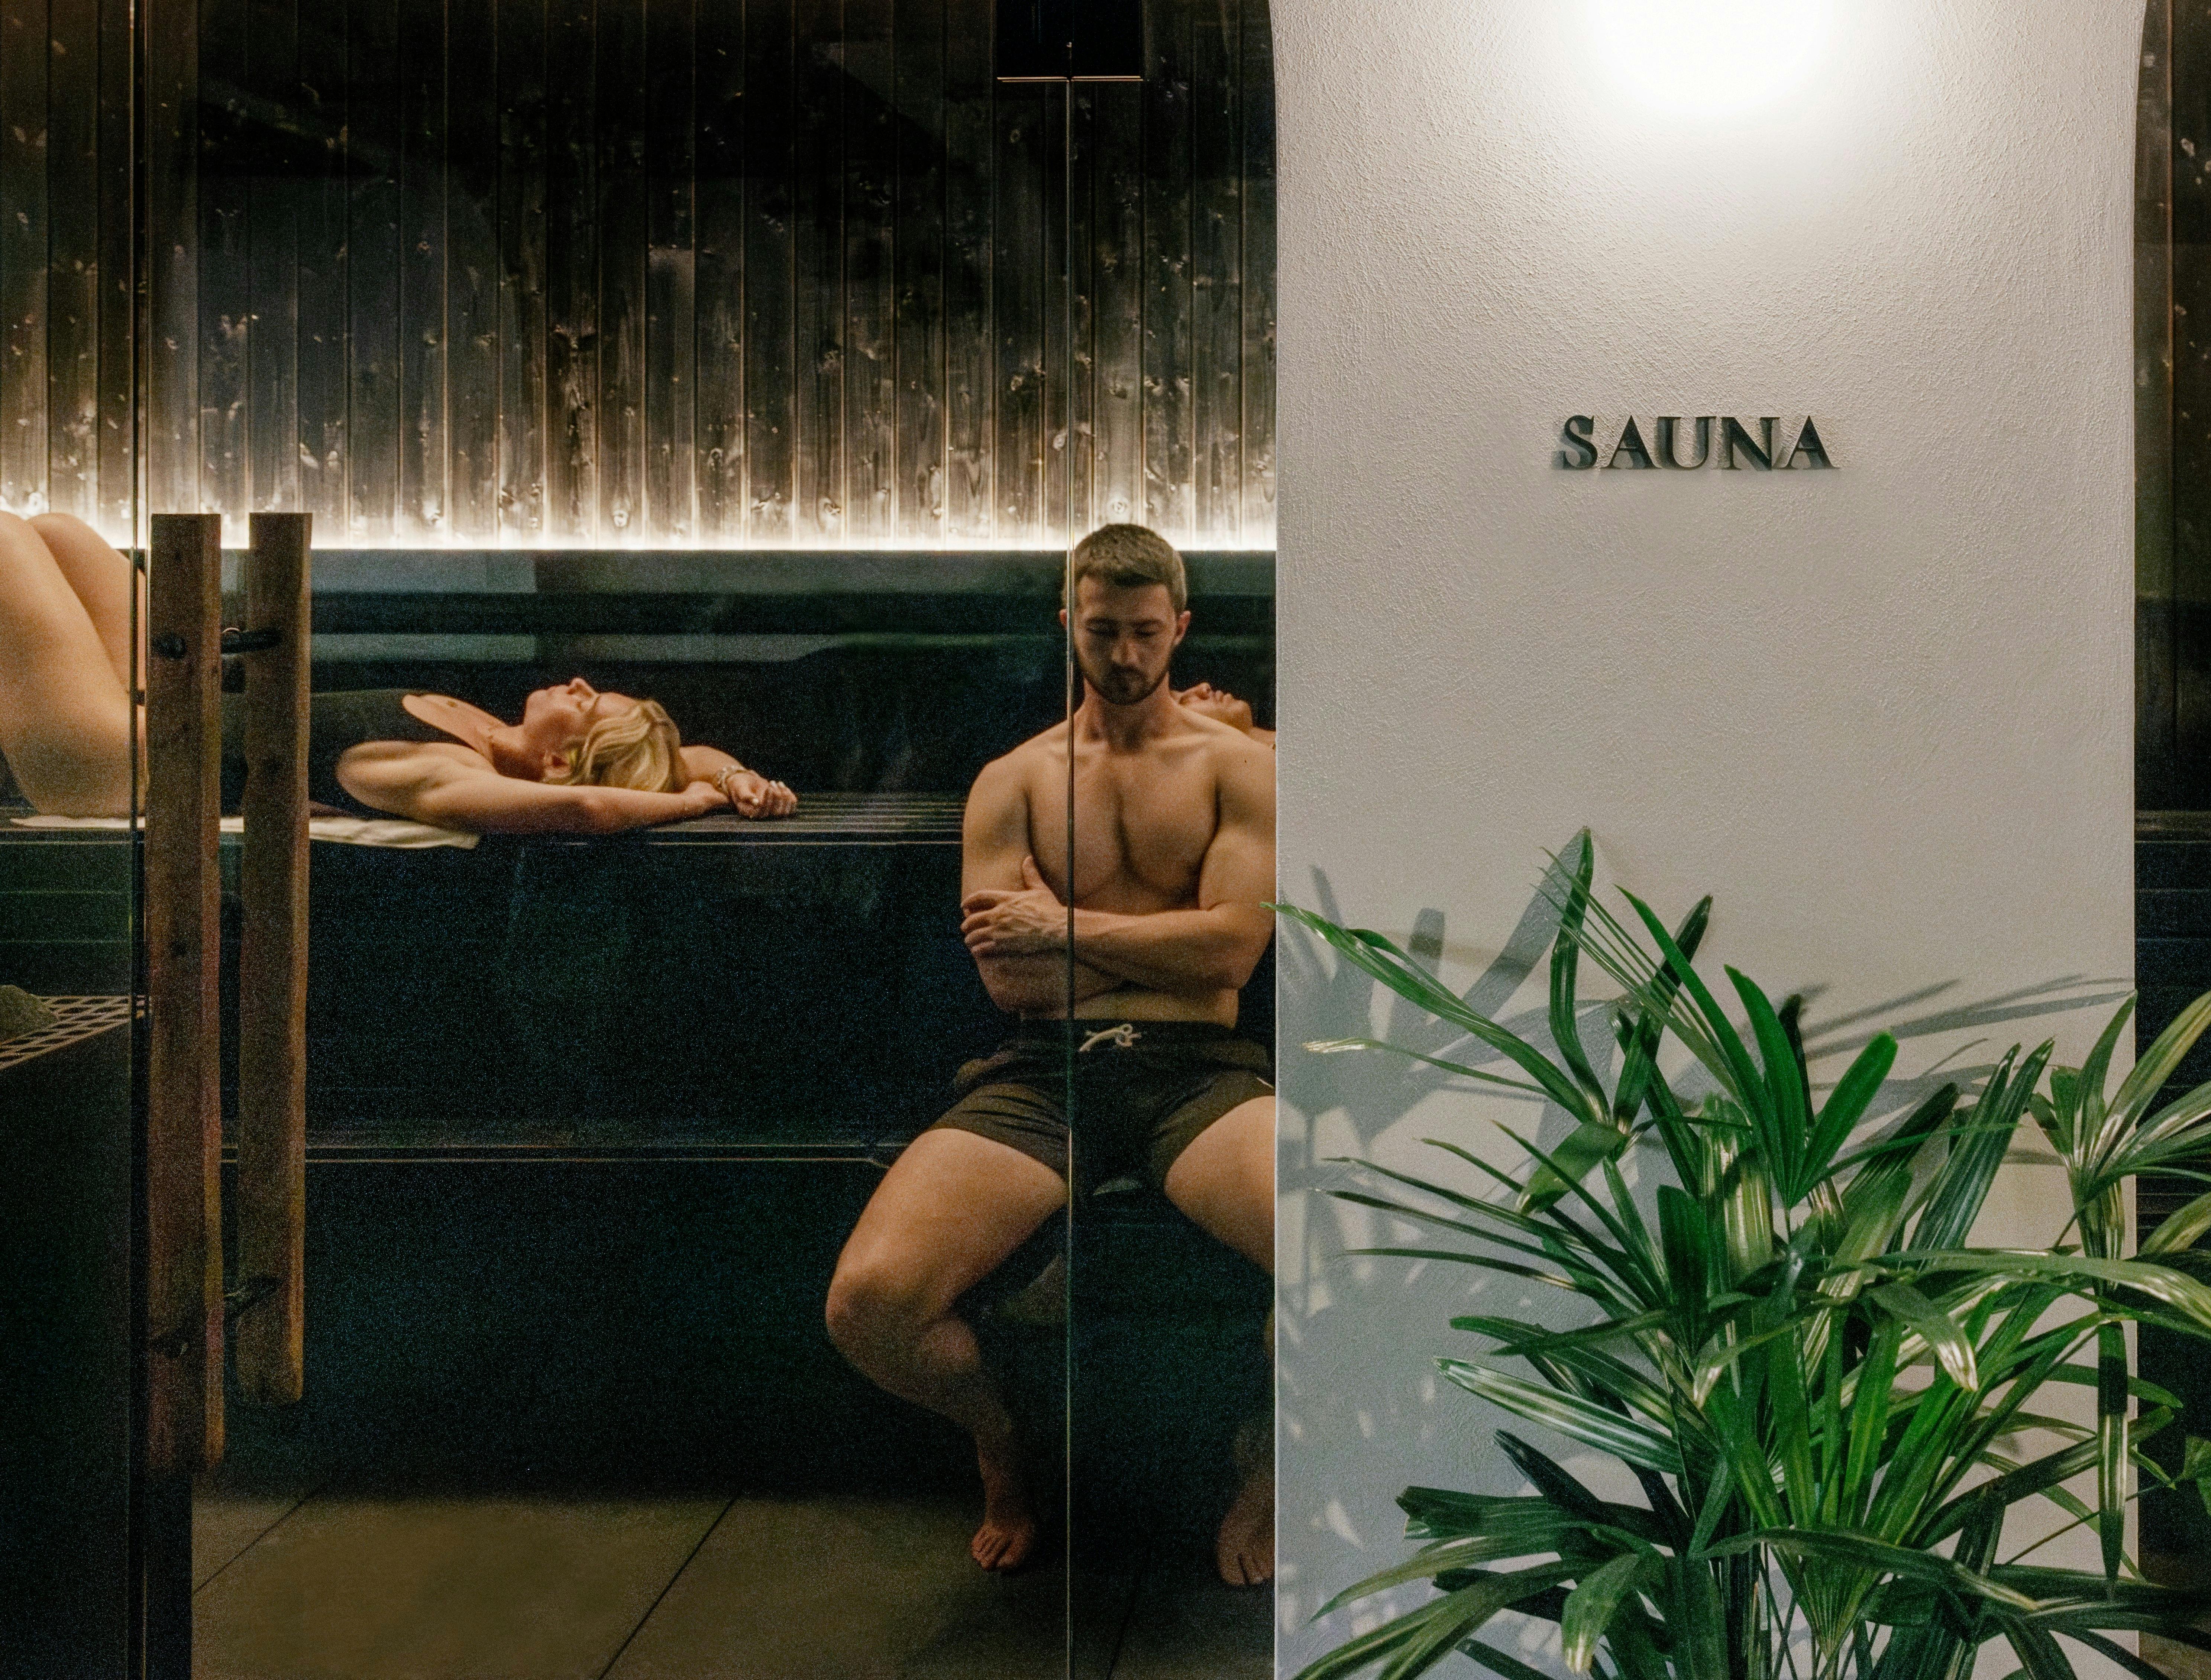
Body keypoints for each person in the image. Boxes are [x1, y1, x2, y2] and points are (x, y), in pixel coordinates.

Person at [823, 522, 1277, 1583]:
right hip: (1043, 1073)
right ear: (1069, 624)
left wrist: (1062, 928)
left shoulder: (1237, 770)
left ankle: (1260, 1450)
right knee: (871, 1305)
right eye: (1104, 630)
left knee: (1338, 1265)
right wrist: (1167, 952)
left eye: (1146, 633)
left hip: (1197, 1076)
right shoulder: (1013, 782)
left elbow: (1235, 948)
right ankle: (1001, 1436)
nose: (1124, 656)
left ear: (1182, 629)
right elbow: (1008, 981)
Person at [0, 509, 795, 832]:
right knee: (62, 531)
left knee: (5, 536)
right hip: (167, 709)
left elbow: (590, 805)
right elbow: (679, 760)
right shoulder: (495, 733)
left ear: (555, 760)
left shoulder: (444, 773)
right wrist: (731, 780)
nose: (580, 683)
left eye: (586, 707)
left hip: (116, 759)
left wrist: (690, 803)